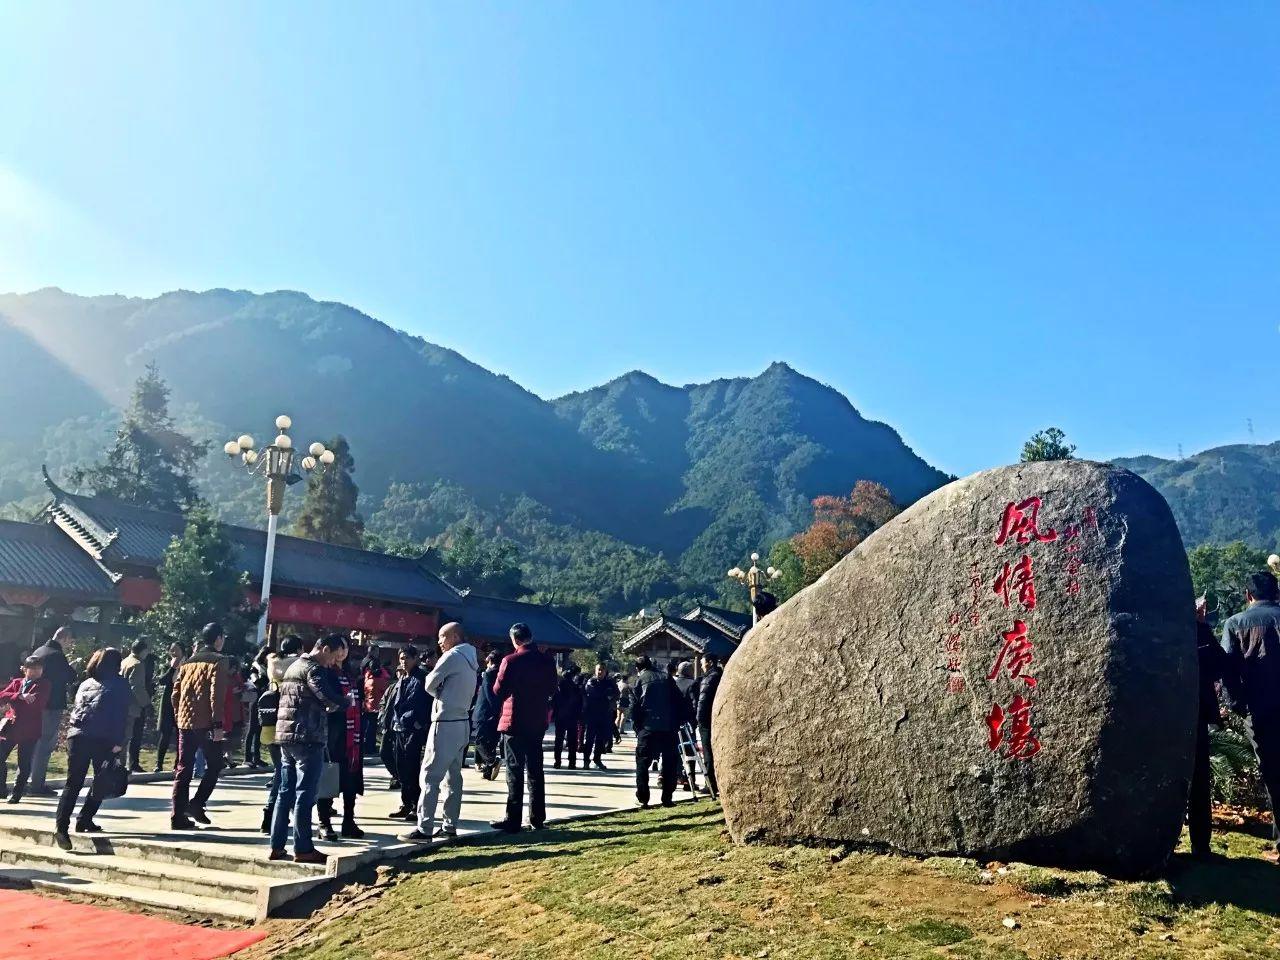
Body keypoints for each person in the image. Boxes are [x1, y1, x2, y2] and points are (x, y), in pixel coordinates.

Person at [270, 635, 347, 864]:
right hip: (308, 736)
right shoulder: (313, 669)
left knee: (285, 793)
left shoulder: (293, 666)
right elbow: (325, 695)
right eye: (334, 656)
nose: (334, 662)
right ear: (323, 648)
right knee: (306, 793)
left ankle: (277, 845)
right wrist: (345, 702)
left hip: (286, 736)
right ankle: (303, 848)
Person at [1221, 571, 1280, 863]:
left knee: (1274, 773)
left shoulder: (1235, 624)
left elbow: (1228, 671)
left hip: (1259, 710)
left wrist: (1238, 706)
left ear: (1248, 595)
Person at [400, 623, 479, 842]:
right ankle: (449, 825)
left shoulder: (451, 656)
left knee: (429, 776)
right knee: (453, 778)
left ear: (454, 636)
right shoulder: (472, 658)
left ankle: (424, 828)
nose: (439, 642)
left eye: (442, 637)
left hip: (444, 721)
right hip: (462, 720)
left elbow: (429, 683)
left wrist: (440, 694)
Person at [54, 647, 131, 849]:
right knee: (102, 779)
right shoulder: (120, 684)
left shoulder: (85, 683)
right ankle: (85, 817)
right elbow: (121, 714)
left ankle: (61, 827)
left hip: (77, 736)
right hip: (102, 738)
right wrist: (118, 742)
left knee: (73, 782)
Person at [490, 623, 557, 833]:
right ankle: (537, 818)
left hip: (515, 720)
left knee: (515, 770)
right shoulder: (547, 660)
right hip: (536, 719)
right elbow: (553, 688)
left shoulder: (510, 660)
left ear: (514, 639)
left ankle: (513, 819)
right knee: (536, 770)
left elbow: (498, 690)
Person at [170, 622, 229, 830]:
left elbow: (175, 693)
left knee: (183, 768)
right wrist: (217, 724)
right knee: (214, 765)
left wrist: (179, 717)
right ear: (218, 639)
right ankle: (197, 804)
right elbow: (217, 695)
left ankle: (177, 816)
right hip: (206, 724)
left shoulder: (187, 663)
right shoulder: (219, 661)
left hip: (185, 723)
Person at [316, 638, 365, 841]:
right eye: (339, 648)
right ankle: (324, 823)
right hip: (332, 736)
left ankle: (349, 821)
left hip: (351, 738)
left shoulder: (349, 674)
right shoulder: (324, 674)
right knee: (328, 778)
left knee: (350, 780)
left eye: (345, 648)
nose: (342, 653)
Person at [1187, 597, 1224, 857]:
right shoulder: (1198, 634)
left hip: (1167, 714)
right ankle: (1200, 845)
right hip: (1195, 713)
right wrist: (1201, 626)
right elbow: (1218, 665)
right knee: (1199, 780)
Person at [631, 654, 686, 808]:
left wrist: (638, 727)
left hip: (648, 727)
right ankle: (667, 798)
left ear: (638, 668)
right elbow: (679, 701)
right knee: (669, 762)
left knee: (642, 762)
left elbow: (634, 707)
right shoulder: (666, 677)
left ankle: (643, 797)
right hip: (668, 727)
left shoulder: (640, 680)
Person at [260, 635, 303, 834]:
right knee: (284, 773)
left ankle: (274, 816)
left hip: (270, 726)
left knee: (281, 771)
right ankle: (272, 815)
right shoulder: (298, 667)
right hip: (288, 725)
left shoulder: (273, 666)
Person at [27, 627, 77, 796]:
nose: (70, 645)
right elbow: (71, 676)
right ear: (64, 638)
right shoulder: (57, 655)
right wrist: (72, 665)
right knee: (45, 745)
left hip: (33, 704)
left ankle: (25, 781)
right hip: (51, 706)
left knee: (31, 743)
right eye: (69, 641)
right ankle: (37, 785)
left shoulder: (39, 650)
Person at [386, 646, 431, 820]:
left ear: (415, 659)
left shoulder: (421, 678)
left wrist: (418, 723)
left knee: (412, 768)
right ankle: (406, 803)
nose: (403, 661)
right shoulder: (403, 678)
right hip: (399, 727)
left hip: (413, 728)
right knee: (401, 767)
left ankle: (415, 804)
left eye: (406, 658)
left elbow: (421, 704)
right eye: (401, 658)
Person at [0, 655, 51, 803]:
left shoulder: (44, 684)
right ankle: (2, 789)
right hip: (10, 727)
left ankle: (17, 793)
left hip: (29, 730)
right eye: (32, 669)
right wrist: (20, 696)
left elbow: (37, 703)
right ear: (24, 669)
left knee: (24, 762)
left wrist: (15, 700)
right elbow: (2, 695)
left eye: (39, 669)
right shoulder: (17, 683)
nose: (36, 672)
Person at [153, 642, 185, 771]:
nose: (174, 653)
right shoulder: (167, 664)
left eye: (176, 650)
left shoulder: (187, 664)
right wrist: (172, 668)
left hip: (181, 702)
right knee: (165, 733)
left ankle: (178, 763)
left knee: (180, 734)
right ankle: (158, 764)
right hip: (167, 702)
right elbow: (162, 681)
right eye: (171, 650)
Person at [120, 640, 151, 774]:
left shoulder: (125, 661)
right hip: (132, 706)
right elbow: (136, 687)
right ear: (143, 650)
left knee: (121, 737)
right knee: (127, 737)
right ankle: (121, 767)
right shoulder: (138, 665)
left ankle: (121, 765)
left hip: (120, 703)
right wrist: (147, 703)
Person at [472, 649, 503, 780]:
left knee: (479, 742)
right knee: (490, 742)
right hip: (496, 714)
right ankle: (488, 771)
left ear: (490, 660)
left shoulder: (489, 674)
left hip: (484, 712)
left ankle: (492, 761)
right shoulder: (501, 673)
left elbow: (490, 695)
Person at [581, 664, 618, 770]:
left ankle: (597, 759)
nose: (600, 672)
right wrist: (606, 694)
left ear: (605, 671)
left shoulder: (609, 682)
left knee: (601, 739)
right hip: (592, 715)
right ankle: (586, 760)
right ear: (595, 670)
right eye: (598, 670)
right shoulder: (591, 681)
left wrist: (610, 698)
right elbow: (595, 693)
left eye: (602, 670)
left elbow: (616, 693)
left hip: (604, 715)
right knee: (589, 739)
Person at [696, 654, 723, 796]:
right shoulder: (720, 675)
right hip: (715, 717)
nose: (701, 666)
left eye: (703, 663)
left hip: (706, 719)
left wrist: (698, 718)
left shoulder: (710, 678)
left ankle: (711, 783)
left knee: (708, 751)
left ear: (710, 663)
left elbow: (703, 699)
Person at [552, 664, 584, 769]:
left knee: (559, 740)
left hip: (560, 716)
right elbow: (580, 702)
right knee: (572, 740)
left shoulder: (559, 687)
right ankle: (572, 762)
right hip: (572, 716)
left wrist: (555, 713)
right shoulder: (576, 687)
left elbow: (553, 702)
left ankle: (557, 761)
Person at [362, 655, 392, 756]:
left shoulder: (367, 678)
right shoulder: (382, 680)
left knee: (367, 729)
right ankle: (371, 748)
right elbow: (387, 690)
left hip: (367, 706)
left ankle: (366, 747)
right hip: (377, 707)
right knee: (372, 730)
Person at [615, 676, 632, 742]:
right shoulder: (627, 685)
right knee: (624, 717)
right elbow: (631, 693)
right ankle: (621, 730)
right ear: (626, 679)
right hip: (625, 702)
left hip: (618, 701)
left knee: (618, 716)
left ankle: (615, 729)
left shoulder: (618, 684)